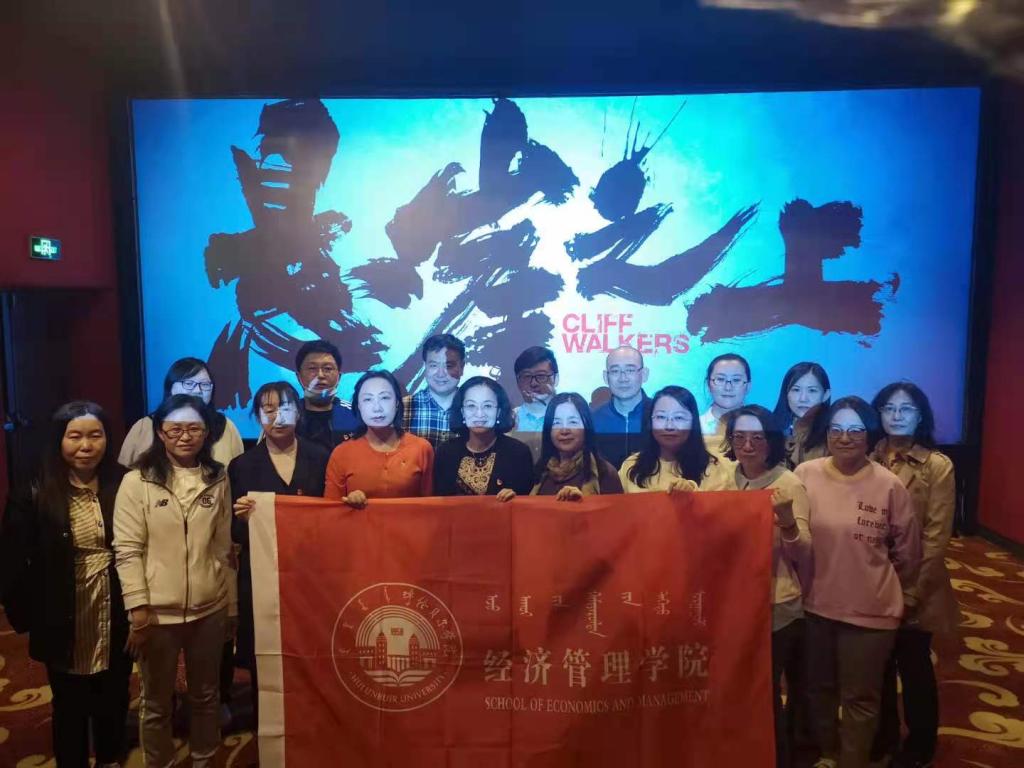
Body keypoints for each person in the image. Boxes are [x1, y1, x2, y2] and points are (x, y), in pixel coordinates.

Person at [0, 402, 130, 768]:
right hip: (62, 609)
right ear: (59, 439)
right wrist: (28, 617)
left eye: (95, 435)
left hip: (115, 604)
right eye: (75, 436)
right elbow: (11, 560)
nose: (85, 445)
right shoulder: (34, 489)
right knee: (69, 700)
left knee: (114, 691)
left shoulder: (124, 483)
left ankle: (110, 756)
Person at [795, 396, 921, 768]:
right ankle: (828, 754)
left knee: (860, 698)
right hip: (814, 604)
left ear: (870, 435)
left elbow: (908, 552)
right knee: (818, 689)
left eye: (855, 430)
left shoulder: (889, 485)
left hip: (871, 610)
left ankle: (853, 761)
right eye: (836, 429)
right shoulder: (805, 474)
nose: (844, 437)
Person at [113, 394, 237, 768]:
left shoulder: (218, 477)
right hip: (156, 613)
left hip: (209, 608)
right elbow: (127, 551)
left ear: (207, 432)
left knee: (206, 695)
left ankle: (205, 759)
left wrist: (230, 604)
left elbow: (223, 547)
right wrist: (137, 608)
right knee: (155, 702)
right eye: (175, 429)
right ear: (160, 432)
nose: (185, 436)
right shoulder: (137, 481)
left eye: (194, 428)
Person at [228, 382, 330, 724]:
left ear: (298, 412)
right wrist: (241, 517)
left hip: (311, 576)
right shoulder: (242, 465)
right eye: (269, 410)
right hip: (262, 578)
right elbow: (234, 532)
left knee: (312, 653)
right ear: (258, 416)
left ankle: (313, 727)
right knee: (265, 656)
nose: (278, 417)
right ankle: (269, 733)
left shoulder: (321, 457)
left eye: (286, 408)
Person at [869, 382, 958, 768]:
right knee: (878, 666)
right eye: (889, 408)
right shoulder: (869, 455)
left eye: (906, 409)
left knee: (915, 666)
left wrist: (913, 592)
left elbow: (937, 537)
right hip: (872, 580)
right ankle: (884, 735)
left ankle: (921, 743)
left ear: (920, 415)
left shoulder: (937, 465)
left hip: (916, 582)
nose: (897, 416)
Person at [724, 405, 812, 768]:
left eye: (757, 438)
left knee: (765, 693)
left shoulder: (788, 483)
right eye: (739, 437)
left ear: (771, 440)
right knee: (740, 691)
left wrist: (788, 523)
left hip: (777, 605)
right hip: (735, 606)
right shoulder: (727, 477)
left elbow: (804, 552)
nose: (747, 446)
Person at [325, 370, 434, 505]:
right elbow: (331, 509)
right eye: (368, 399)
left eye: (385, 398)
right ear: (358, 406)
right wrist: (349, 502)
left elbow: (431, 507)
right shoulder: (341, 453)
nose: (377, 408)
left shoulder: (421, 449)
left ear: (397, 403)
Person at [118, 356, 244, 468]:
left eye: (205, 384)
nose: (198, 390)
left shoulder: (226, 427)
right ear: (171, 387)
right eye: (189, 383)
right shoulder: (144, 426)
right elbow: (124, 472)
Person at [619, 385, 733, 493]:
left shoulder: (712, 468)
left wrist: (692, 494)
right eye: (661, 417)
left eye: (679, 418)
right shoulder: (631, 466)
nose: (669, 426)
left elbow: (720, 506)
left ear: (693, 422)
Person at [434, 376, 534, 498]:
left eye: (487, 406)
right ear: (462, 412)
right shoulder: (446, 452)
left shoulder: (518, 453)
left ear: (498, 412)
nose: (479, 414)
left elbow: (524, 499)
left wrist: (514, 497)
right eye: (471, 406)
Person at [531, 392, 623, 498]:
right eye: (557, 423)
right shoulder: (541, 470)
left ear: (586, 426)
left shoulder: (605, 472)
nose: (564, 430)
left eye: (573, 422)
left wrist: (581, 503)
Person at [591, 345, 651, 469]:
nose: (623, 378)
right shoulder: (593, 420)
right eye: (615, 371)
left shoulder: (660, 416)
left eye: (630, 370)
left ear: (644, 374)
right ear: (606, 377)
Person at [294, 338, 359, 450]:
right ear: (299, 377)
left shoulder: (355, 415)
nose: (320, 375)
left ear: (339, 377)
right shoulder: (285, 416)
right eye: (312, 368)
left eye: (328, 368)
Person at [402, 333, 466, 448]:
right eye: (433, 365)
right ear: (425, 366)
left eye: (449, 366)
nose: (441, 373)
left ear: (461, 368)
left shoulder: (476, 409)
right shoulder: (403, 407)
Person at [773, 361, 831, 468]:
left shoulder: (832, 435)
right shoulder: (770, 430)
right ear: (786, 393)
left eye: (812, 391)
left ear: (826, 395)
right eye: (796, 390)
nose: (803, 398)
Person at [699, 353, 751, 448]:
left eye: (736, 380)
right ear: (708, 385)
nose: (728, 387)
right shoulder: (695, 428)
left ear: (748, 386)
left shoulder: (762, 428)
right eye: (720, 379)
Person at [512, 346, 559, 432]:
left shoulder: (568, 418)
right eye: (527, 376)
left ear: (556, 379)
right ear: (518, 382)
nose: (533, 383)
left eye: (541, 376)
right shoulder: (510, 419)